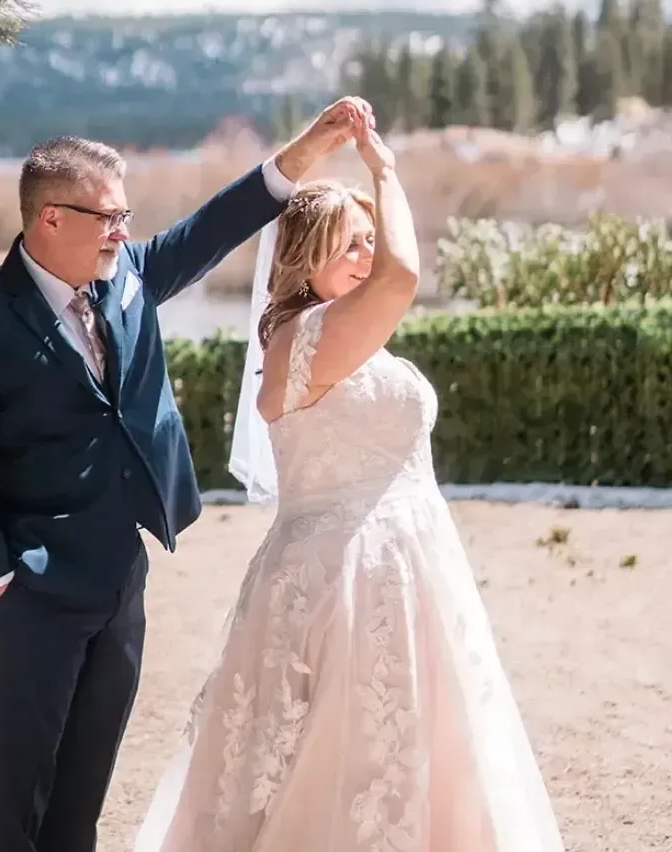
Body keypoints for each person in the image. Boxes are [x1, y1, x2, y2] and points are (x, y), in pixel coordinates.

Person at [0, 100, 361, 852]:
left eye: (126, 216)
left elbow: (215, 225)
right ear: (49, 219)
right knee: (11, 793)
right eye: (109, 216)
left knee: (81, 794)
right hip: (31, 589)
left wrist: (306, 152)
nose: (124, 231)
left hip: (121, 578)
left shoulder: (129, 277)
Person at [134, 103, 565, 852]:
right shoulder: (305, 333)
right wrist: (384, 169)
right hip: (348, 576)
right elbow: (403, 275)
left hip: (404, 563)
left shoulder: (331, 333)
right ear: (304, 256)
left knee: (418, 752)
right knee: (340, 761)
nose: (367, 257)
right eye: (349, 245)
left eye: (369, 239)